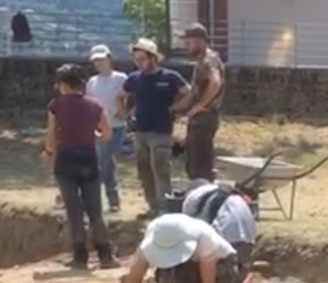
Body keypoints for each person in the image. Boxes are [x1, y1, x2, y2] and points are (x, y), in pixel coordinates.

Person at [44, 64, 117, 270]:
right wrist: (92, 136)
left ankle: (80, 256)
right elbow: (107, 135)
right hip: (88, 159)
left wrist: (49, 151)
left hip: (66, 159)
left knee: (73, 209)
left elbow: (51, 135)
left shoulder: (56, 105)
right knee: (95, 210)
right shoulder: (95, 105)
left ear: (63, 85)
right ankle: (105, 255)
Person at [120, 38, 189, 217]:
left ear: (153, 58)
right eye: (136, 59)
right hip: (140, 130)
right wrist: (126, 114)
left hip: (161, 130)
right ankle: (152, 206)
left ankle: (165, 207)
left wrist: (174, 108)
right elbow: (121, 95)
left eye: (142, 59)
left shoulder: (170, 77)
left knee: (160, 167)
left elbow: (188, 93)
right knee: (144, 170)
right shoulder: (134, 78)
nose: (139, 63)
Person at [180, 180, 256, 282]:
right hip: (248, 244)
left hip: (226, 246)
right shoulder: (229, 193)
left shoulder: (193, 197)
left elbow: (190, 229)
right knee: (233, 280)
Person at [86, 44, 129, 213]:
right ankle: (113, 200)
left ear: (109, 59)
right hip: (99, 127)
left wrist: (124, 111)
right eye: (96, 61)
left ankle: (91, 196)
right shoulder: (92, 82)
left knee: (101, 159)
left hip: (117, 126)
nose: (99, 63)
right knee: (107, 163)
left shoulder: (120, 78)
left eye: (102, 60)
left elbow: (130, 97)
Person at [180, 24, 224, 182]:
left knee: (200, 168)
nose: (186, 46)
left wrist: (201, 105)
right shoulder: (202, 61)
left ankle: (206, 193)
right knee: (193, 165)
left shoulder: (209, 60)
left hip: (205, 118)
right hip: (198, 119)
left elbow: (215, 83)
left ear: (200, 41)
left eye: (189, 42)